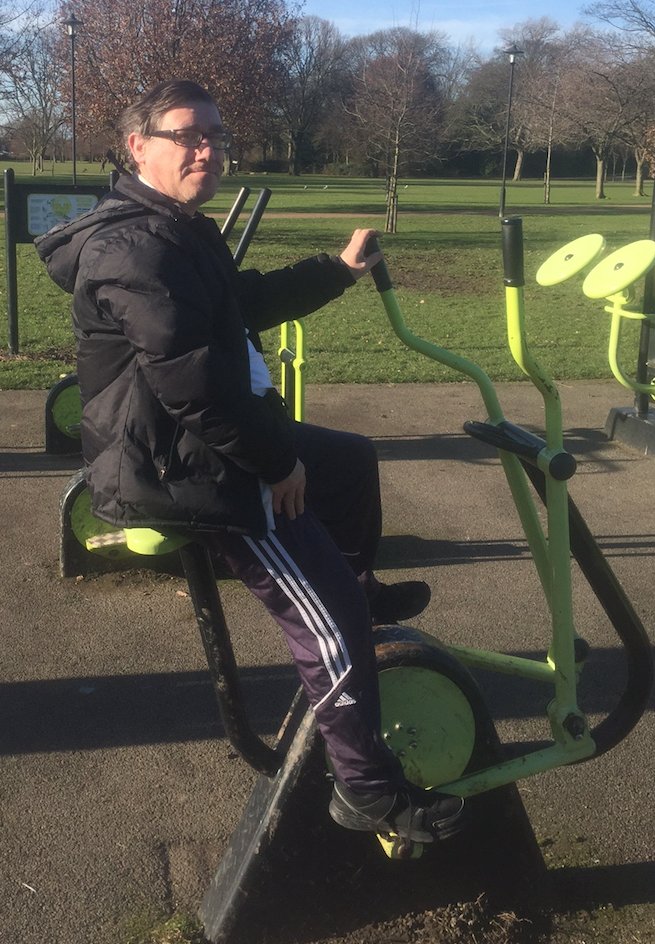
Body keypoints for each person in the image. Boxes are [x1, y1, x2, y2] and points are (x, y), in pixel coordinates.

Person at [36, 79, 465, 843]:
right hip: (180, 469)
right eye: (187, 136)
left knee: (349, 462)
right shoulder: (135, 247)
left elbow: (244, 307)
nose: (207, 150)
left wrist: (338, 269)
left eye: (218, 135)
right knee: (330, 621)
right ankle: (367, 790)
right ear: (139, 146)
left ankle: (353, 594)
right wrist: (273, 464)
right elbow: (192, 385)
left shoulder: (174, 227)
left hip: (196, 441)